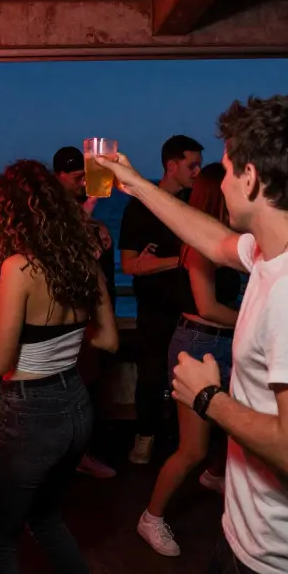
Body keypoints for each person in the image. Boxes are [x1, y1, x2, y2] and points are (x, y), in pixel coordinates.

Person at [97, 95, 288, 574]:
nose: (219, 182)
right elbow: (216, 242)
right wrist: (136, 184)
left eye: (226, 170)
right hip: (256, 540)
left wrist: (209, 399)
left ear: (251, 178)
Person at [0, 159, 118, 574]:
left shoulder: (19, 268)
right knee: (46, 519)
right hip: (75, 407)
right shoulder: (84, 260)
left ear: (9, 214)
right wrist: (61, 340)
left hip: (31, 413)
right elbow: (106, 338)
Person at [137, 162, 240, 557]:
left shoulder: (225, 239)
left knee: (238, 426)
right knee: (192, 448)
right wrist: (260, 319)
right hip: (199, 344)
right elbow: (209, 307)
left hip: (225, 342)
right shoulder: (199, 245)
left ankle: (215, 476)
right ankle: (151, 517)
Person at [119, 134, 203, 464]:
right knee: (152, 377)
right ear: (171, 165)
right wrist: (179, 259)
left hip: (192, 308)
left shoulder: (195, 203)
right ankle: (145, 435)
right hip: (155, 309)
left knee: (186, 380)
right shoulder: (140, 207)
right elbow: (129, 265)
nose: (197, 171)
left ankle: (184, 442)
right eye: (191, 165)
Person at [54, 145, 117, 479]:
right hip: (68, 318)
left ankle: (81, 453)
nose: (82, 183)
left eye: (84, 176)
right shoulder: (53, 213)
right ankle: (70, 457)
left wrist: (95, 225)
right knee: (74, 388)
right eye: (77, 177)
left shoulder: (80, 213)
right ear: (58, 176)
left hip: (90, 315)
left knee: (90, 384)